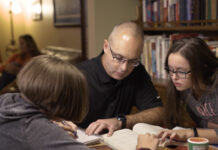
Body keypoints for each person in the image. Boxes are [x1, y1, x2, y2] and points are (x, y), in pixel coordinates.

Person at [0, 54, 157, 150]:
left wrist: (51, 123)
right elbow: (35, 131)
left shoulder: (7, 100)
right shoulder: (36, 129)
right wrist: (145, 148)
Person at [76, 21, 163, 136]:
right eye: (118, 57)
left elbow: (158, 112)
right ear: (106, 46)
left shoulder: (137, 71)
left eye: (132, 61)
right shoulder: (78, 75)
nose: (124, 68)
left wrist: (121, 121)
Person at [158, 37, 218, 144]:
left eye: (181, 71)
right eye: (170, 70)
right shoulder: (184, 87)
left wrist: (190, 133)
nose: (174, 77)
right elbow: (201, 121)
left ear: (202, 68)